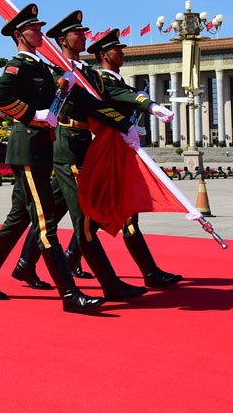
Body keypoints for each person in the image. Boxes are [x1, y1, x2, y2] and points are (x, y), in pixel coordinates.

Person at [0, 5, 138, 312]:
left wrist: (124, 123)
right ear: (20, 35)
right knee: (46, 225)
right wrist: (33, 115)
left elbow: (71, 102)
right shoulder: (17, 66)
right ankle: (69, 295)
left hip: (41, 151)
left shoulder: (43, 69)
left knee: (18, 219)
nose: (39, 32)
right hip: (28, 151)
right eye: (34, 29)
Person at [89, 29, 184, 288]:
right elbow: (126, 98)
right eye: (116, 49)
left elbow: (128, 97)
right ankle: (150, 273)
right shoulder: (102, 81)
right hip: (107, 153)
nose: (122, 53)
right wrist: (150, 105)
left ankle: (66, 259)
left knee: (101, 215)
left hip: (121, 151)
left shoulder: (119, 82)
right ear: (103, 55)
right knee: (107, 214)